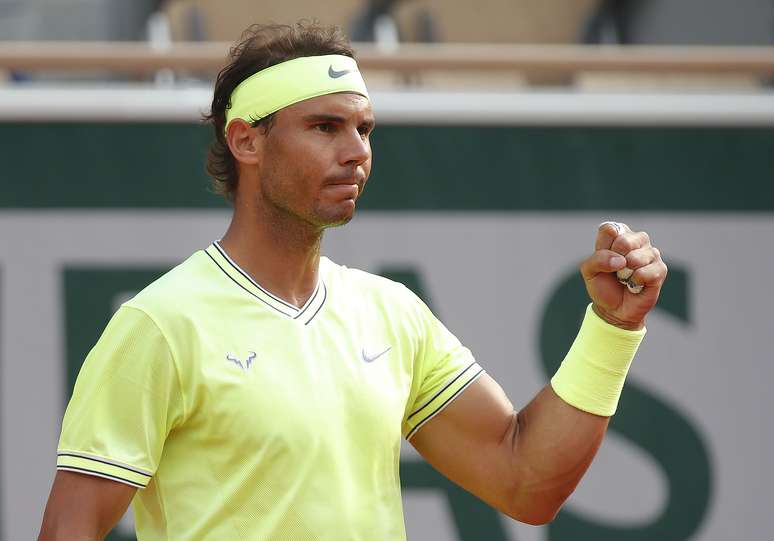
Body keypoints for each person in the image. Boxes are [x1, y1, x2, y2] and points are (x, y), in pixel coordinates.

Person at [38, 22, 667, 541]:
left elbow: (525, 481)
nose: (357, 150)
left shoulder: (391, 312)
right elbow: (70, 530)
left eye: (363, 128)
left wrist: (612, 329)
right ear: (246, 141)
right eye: (324, 127)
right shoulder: (160, 325)